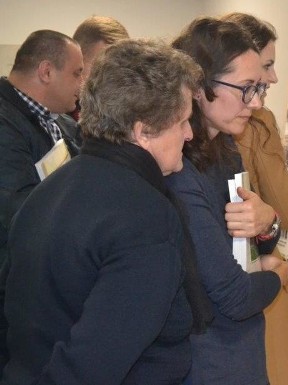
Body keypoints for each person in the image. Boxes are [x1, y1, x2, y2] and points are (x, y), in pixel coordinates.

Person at [0, 39, 203, 384]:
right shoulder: (144, 214)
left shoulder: (50, 188)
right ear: (143, 131)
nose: (189, 133)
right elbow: (92, 364)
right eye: (182, 121)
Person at [169, 17, 288, 385]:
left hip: (241, 346)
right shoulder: (177, 168)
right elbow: (234, 295)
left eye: (258, 89)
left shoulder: (225, 147)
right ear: (199, 86)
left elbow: (253, 242)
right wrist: (279, 275)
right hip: (207, 356)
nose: (254, 103)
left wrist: (268, 222)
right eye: (245, 88)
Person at [218, 14, 288, 382]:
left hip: (254, 280)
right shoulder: (249, 126)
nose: (272, 78)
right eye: (266, 66)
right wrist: (263, 126)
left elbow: (278, 216)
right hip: (253, 285)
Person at [0, 30, 83, 266]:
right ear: (46, 71)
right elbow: (17, 210)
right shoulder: (4, 123)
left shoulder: (62, 122)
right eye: (77, 74)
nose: (82, 84)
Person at [69, 16, 129, 122]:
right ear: (77, 59)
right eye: (102, 67)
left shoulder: (129, 115)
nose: (114, 77)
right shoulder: (51, 115)